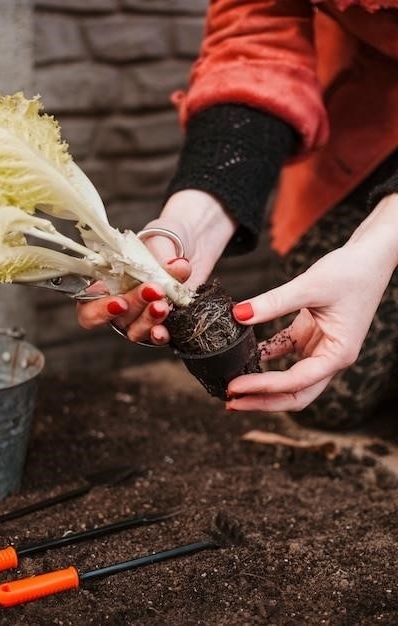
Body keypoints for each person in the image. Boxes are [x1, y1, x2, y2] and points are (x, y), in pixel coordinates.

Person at [77, 1, 398, 429]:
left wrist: (378, 244)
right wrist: (186, 225)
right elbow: (257, 43)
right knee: (326, 384)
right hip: (370, 125)